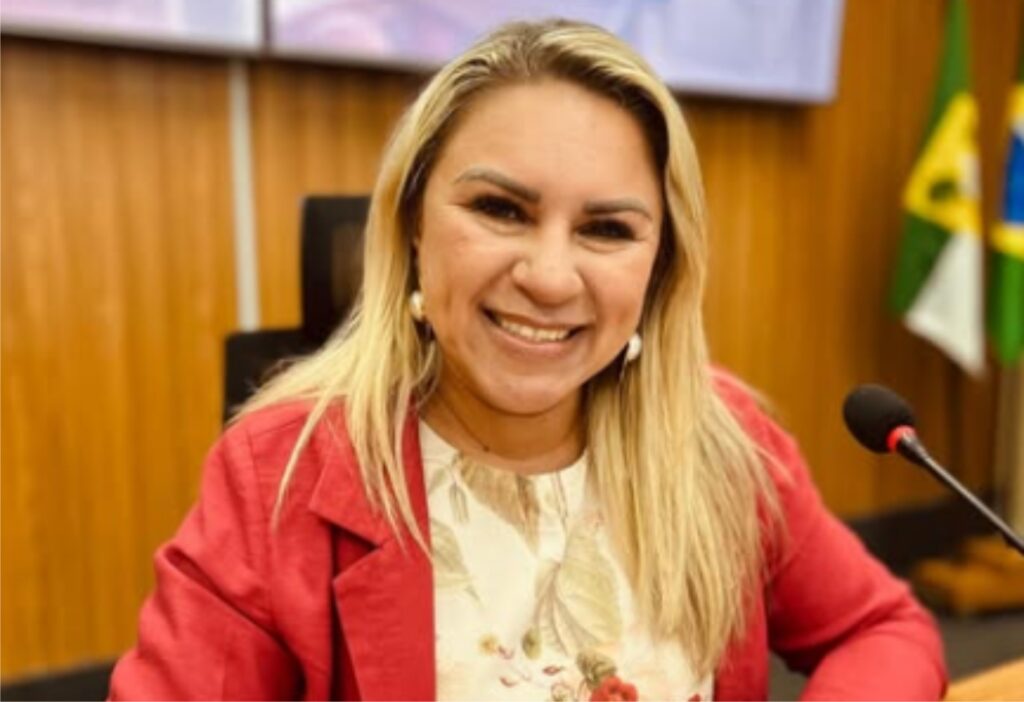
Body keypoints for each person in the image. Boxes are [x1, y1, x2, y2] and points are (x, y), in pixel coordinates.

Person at [109, 19, 946, 701]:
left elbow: (881, 631)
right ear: (412, 222)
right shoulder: (280, 475)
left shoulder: (719, 439)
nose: (549, 277)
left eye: (606, 229)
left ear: (660, 267)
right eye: (501, 209)